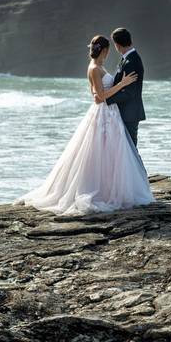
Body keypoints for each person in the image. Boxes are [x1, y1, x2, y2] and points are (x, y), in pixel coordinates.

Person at [16, 34, 153, 215]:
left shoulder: (98, 67)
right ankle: (102, 190)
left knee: (111, 153)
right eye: (108, 49)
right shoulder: (95, 68)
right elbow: (100, 97)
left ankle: (112, 187)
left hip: (110, 114)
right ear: (104, 50)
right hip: (104, 113)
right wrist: (123, 84)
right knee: (101, 153)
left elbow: (100, 94)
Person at [104, 28, 146, 146]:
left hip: (130, 113)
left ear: (117, 44)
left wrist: (107, 100)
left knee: (130, 150)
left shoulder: (132, 61)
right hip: (125, 111)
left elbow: (129, 92)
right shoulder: (127, 58)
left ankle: (138, 166)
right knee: (125, 150)